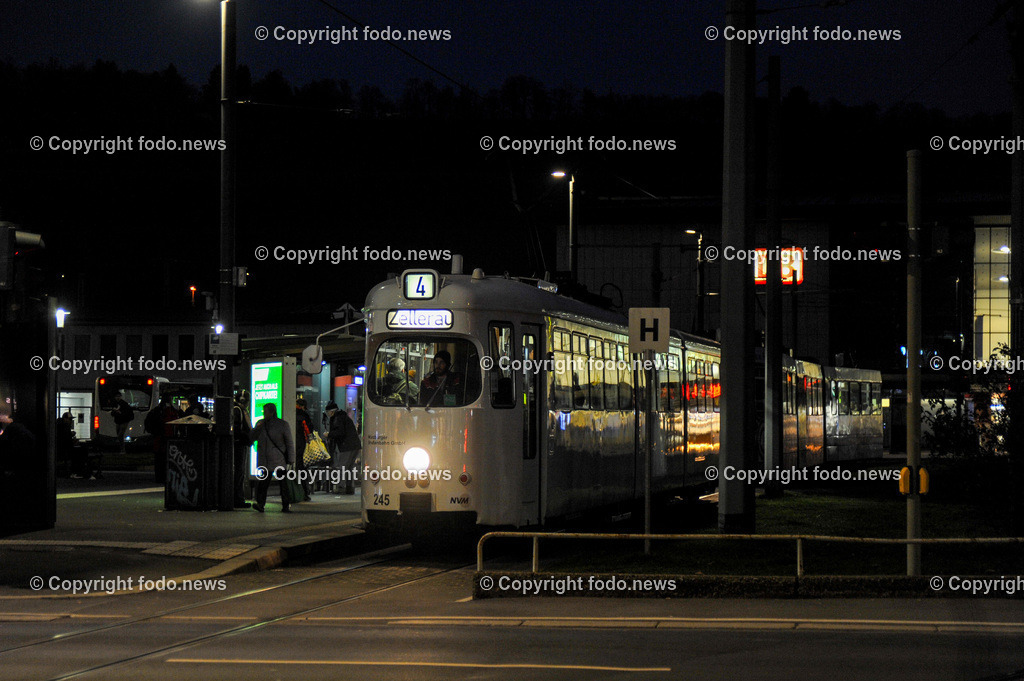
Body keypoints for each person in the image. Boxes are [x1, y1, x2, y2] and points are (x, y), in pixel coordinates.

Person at [251, 402, 295, 513]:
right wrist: (257, 429)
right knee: (263, 483)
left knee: (282, 483)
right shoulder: (260, 424)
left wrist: (291, 459)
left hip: (278, 459)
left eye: (265, 411)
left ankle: (285, 504)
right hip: (265, 460)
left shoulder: (282, 425)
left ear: (272, 412)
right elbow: (252, 437)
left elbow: (289, 443)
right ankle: (261, 504)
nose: (264, 413)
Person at [325, 401, 361, 494]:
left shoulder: (338, 418)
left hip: (347, 446)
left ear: (331, 411)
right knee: (349, 468)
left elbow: (340, 432)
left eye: (328, 412)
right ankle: (349, 488)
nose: (328, 415)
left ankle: (341, 487)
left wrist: (329, 434)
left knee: (342, 467)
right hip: (354, 445)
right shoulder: (343, 416)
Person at [232, 391, 254, 508]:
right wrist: (248, 438)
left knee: (239, 472)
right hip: (239, 445)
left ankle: (238, 498)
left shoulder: (238, 410)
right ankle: (237, 499)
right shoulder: (239, 410)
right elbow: (238, 430)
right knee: (239, 472)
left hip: (239, 444)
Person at [295, 398, 314, 500]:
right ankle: (304, 492)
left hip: (291, 444)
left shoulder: (291, 413)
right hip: (301, 445)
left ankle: (293, 492)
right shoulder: (303, 416)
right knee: (302, 468)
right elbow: (309, 430)